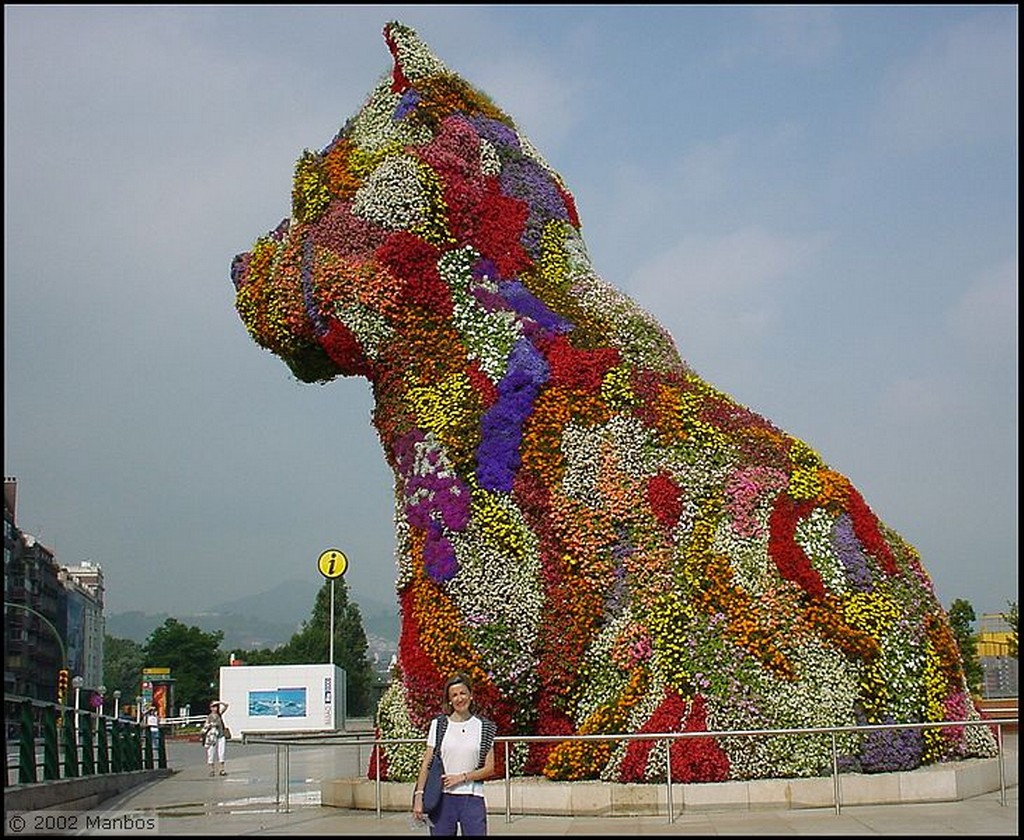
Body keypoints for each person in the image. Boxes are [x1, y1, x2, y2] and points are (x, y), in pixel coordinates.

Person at [412, 674, 496, 836]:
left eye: (463, 693)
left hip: (472, 797)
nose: (459, 699)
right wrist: (418, 796)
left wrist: (462, 777)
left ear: (471, 695)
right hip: (442, 798)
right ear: (449, 700)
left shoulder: (485, 727)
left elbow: (489, 768)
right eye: (454, 695)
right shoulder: (438, 725)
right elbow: (427, 764)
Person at [201, 700, 230, 777]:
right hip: (212, 737)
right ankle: (212, 770)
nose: (215, 708)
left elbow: (226, 705)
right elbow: (205, 727)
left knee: (221, 752)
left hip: (221, 735)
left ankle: (222, 769)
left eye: (216, 707)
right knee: (211, 752)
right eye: (213, 706)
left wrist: (219, 702)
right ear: (210, 708)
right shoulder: (209, 717)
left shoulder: (219, 714)